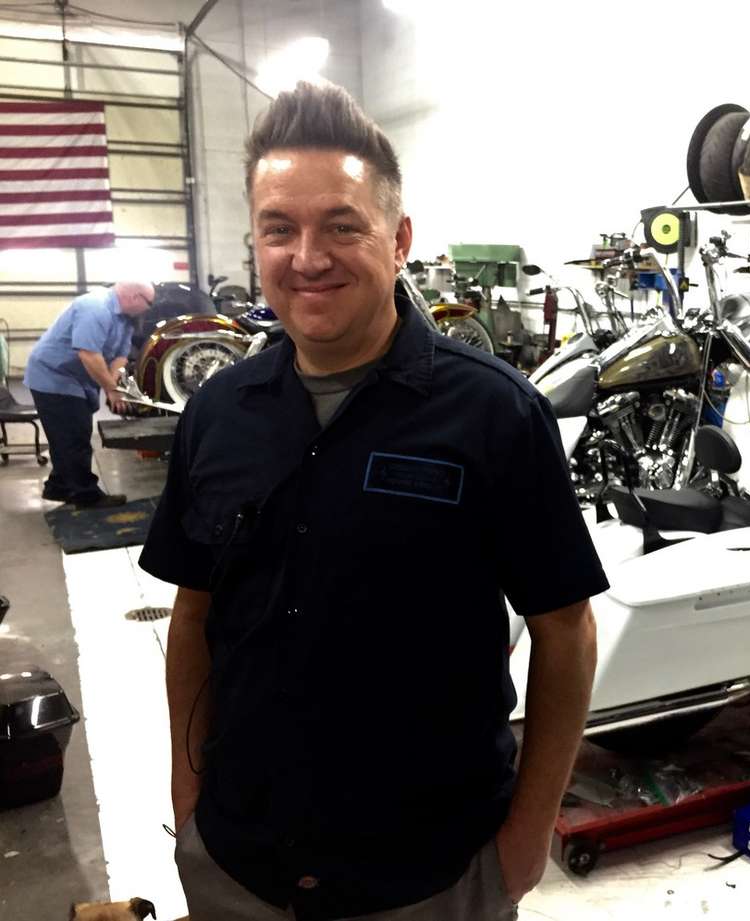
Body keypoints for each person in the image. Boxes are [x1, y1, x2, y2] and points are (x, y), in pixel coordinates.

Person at [139, 81, 606, 921]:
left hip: (432, 871)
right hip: (238, 861)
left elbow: (565, 628)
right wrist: (188, 792)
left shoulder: (496, 414)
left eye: (341, 225)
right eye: (279, 228)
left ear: (399, 240)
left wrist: (528, 832)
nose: (307, 256)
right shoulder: (216, 411)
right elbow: (191, 614)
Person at [24, 281, 154, 507]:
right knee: (74, 437)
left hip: (78, 379)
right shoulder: (95, 307)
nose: (149, 308)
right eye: (149, 303)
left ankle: (58, 487)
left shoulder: (126, 319)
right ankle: (87, 496)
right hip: (54, 376)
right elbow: (89, 355)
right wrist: (110, 390)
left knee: (68, 435)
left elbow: (120, 356)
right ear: (134, 296)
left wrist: (116, 388)